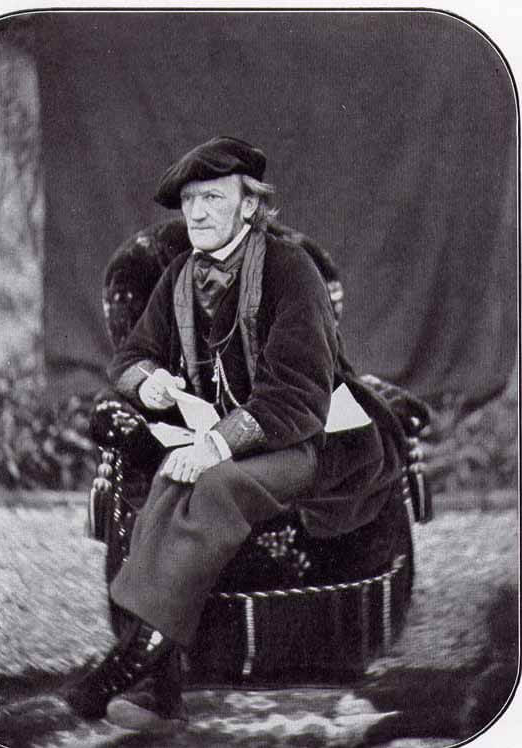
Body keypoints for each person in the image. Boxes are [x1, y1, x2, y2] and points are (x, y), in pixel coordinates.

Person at [65, 136, 400, 734]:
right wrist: (151, 384)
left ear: (249, 204)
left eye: (213, 198)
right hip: (225, 441)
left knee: (214, 486)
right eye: (189, 200)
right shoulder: (180, 275)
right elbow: (130, 358)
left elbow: (297, 398)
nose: (196, 214)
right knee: (168, 480)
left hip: (310, 443)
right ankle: (163, 689)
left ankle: (131, 663)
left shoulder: (291, 271)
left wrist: (213, 446)